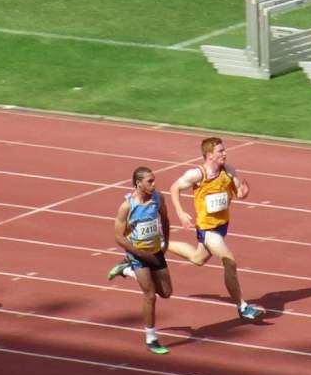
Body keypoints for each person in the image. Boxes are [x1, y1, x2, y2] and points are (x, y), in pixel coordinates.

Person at [164, 137, 264, 320]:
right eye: (220, 151)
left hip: (222, 226)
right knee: (230, 262)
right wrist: (180, 212)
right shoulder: (197, 174)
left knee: (197, 258)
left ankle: (161, 244)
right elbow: (174, 188)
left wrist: (243, 192)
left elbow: (238, 194)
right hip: (208, 229)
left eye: (224, 150)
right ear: (209, 155)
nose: (225, 153)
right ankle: (242, 306)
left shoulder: (229, 170)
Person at [106, 167, 175, 354]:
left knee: (166, 293)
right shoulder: (127, 207)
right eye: (149, 181)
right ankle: (151, 338)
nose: (154, 184)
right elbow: (119, 237)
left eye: (154, 180)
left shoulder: (158, 199)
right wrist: (139, 253)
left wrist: (166, 242)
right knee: (150, 295)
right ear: (138, 183)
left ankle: (126, 270)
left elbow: (166, 220)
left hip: (156, 251)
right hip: (138, 255)